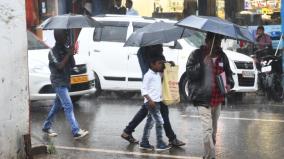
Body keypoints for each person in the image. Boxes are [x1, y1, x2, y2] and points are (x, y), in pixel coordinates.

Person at [121, 44, 185, 147]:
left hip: (155, 87)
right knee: (161, 113)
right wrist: (165, 64)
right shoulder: (149, 52)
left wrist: (167, 63)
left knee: (147, 111)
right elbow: (156, 66)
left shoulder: (146, 48)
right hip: (154, 87)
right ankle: (168, 140)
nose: (162, 46)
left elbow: (159, 63)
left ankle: (128, 132)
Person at [186, 32, 234, 159]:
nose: (217, 44)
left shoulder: (222, 56)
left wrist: (230, 84)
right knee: (207, 130)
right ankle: (211, 156)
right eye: (214, 41)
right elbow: (190, 73)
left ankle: (207, 153)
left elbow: (229, 74)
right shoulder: (196, 55)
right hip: (202, 97)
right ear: (207, 41)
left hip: (218, 98)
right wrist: (202, 64)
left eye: (219, 42)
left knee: (213, 130)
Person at [42, 29, 89, 139]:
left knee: (57, 105)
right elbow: (59, 66)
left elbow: (72, 65)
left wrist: (71, 53)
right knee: (68, 105)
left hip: (66, 81)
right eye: (65, 35)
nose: (67, 37)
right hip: (58, 82)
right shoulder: (52, 51)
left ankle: (46, 126)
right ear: (58, 37)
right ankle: (75, 130)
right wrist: (68, 53)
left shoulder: (65, 48)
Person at [139, 57, 171, 151]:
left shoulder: (158, 74)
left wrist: (168, 63)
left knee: (149, 123)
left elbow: (165, 69)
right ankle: (160, 143)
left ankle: (144, 142)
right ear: (152, 64)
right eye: (159, 63)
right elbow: (143, 90)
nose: (160, 65)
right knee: (160, 122)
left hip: (157, 102)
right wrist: (149, 100)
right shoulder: (148, 75)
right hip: (151, 103)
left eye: (161, 64)